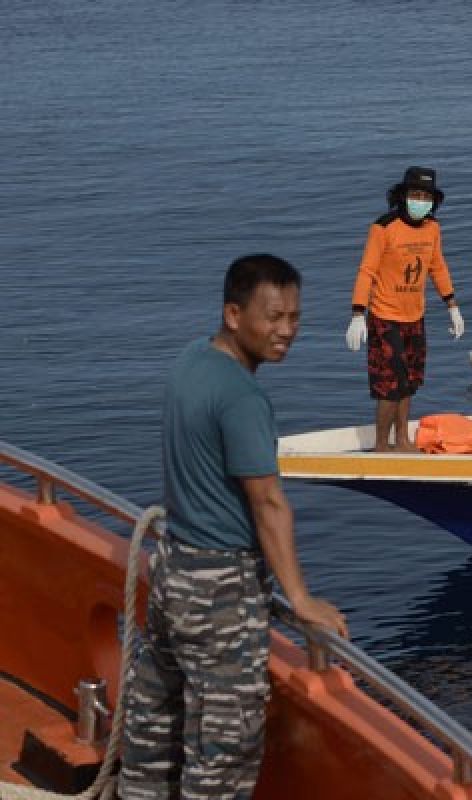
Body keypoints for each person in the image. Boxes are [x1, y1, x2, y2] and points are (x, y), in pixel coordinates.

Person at [120, 254, 348, 800]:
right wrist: (300, 598)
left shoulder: (190, 362)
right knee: (223, 754)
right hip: (219, 591)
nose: (286, 331)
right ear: (233, 313)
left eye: (294, 316)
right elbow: (268, 502)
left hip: (173, 570)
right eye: (272, 317)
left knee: (153, 731)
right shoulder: (243, 397)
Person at [346, 167, 465, 452]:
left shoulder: (432, 228)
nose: (420, 201)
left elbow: (437, 267)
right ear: (403, 196)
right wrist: (357, 314)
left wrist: (452, 306)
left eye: (425, 196)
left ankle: (402, 439)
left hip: (415, 317)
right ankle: (380, 445)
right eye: (414, 195)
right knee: (389, 385)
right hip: (385, 318)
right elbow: (367, 271)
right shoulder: (383, 228)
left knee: (409, 381)